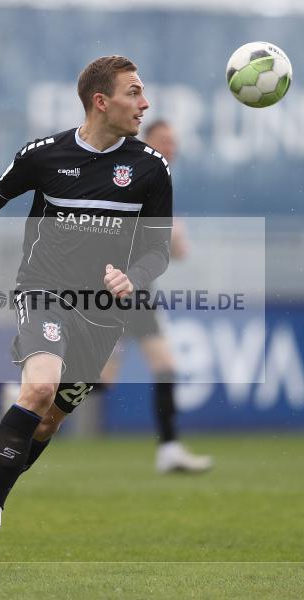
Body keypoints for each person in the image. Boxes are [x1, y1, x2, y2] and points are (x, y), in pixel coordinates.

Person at [0, 55, 172, 563]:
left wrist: (133, 276)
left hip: (103, 314)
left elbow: (157, 248)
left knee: (46, 423)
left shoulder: (149, 168)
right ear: (101, 101)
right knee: (40, 386)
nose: (144, 103)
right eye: (133, 92)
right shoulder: (44, 156)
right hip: (43, 291)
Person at [98, 120, 212, 473]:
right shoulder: (132, 172)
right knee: (100, 379)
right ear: (147, 142)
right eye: (164, 141)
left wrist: (173, 239)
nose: (171, 148)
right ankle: (31, 391)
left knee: (164, 367)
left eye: (174, 142)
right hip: (117, 285)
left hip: (139, 289)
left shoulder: (160, 180)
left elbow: (172, 251)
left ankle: (169, 448)